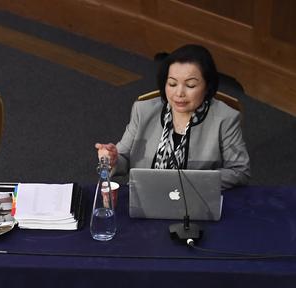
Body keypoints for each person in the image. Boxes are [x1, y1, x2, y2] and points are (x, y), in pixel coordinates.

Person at [95, 44, 250, 189]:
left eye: (190, 85)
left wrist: (192, 182)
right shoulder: (143, 111)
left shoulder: (225, 118)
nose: (179, 93)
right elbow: (124, 158)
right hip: (146, 198)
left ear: (207, 86)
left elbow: (239, 171)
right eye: (172, 84)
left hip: (196, 203)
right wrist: (113, 159)